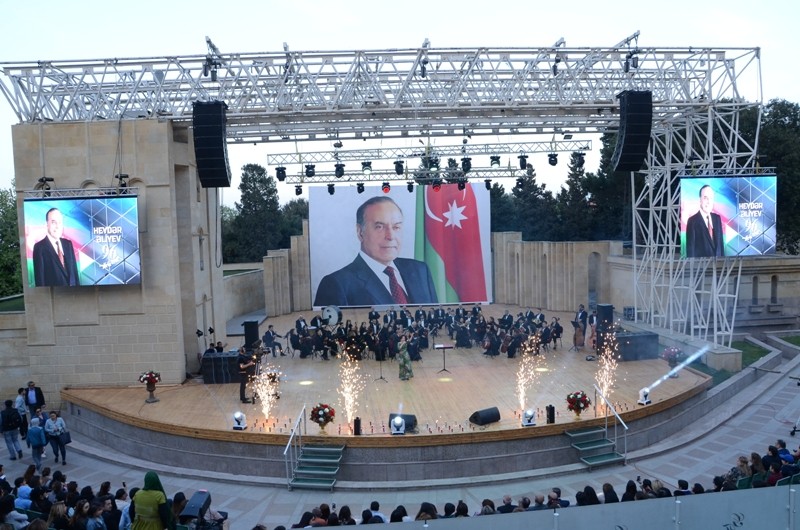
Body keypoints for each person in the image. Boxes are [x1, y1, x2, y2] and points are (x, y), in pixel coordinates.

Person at [314, 196, 438, 307]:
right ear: (360, 232)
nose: (390, 236)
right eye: (379, 227)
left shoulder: (420, 270)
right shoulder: (336, 285)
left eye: (396, 227)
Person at [32, 207, 81, 286]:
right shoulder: (39, 248)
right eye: (54, 222)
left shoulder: (68, 244)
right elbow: (40, 282)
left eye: (60, 222)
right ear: (46, 224)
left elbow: (75, 275)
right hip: (54, 297)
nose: (57, 226)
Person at [685, 184, 724, 258]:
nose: (709, 202)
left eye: (711, 198)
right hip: (702, 267)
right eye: (705, 198)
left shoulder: (717, 219)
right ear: (700, 200)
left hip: (718, 267)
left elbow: (721, 246)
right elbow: (691, 251)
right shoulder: (692, 221)